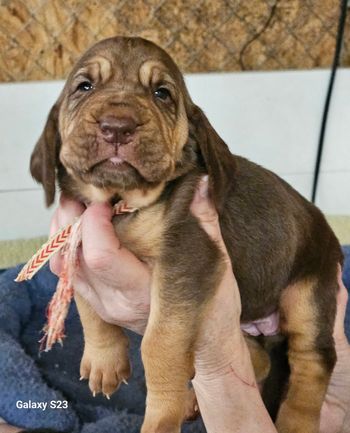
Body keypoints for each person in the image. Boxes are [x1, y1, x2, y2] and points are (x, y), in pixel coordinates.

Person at [1, 176, 350, 433]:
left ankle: (307, 405)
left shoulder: (182, 194)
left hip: (300, 268)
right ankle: (257, 367)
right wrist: (101, 337)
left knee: (309, 352)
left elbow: (188, 290)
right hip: (243, 306)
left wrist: (198, 375)